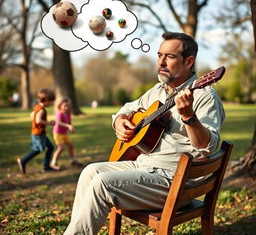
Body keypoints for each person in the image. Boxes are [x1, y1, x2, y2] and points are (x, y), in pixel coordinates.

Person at [64, 32, 225, 235]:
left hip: (175, 182)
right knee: (90, 172)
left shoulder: (204, 95)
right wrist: (120, 122)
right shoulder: (157, 91)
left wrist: (189, 118)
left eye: (170, 56)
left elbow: (207, 147)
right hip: (145, 168)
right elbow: (126, 109)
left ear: (188, 61)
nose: (161, 62)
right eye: (159, 55)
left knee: (102, 184)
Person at [17, 88, 56, 174]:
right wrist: (49, 123)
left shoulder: (37, 107)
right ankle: (23, 161)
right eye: (50, 101)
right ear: (45, 100)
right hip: (38, 134)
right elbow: (38, 120)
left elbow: (32, 115)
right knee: (37, 150)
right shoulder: (42, 110)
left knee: (51, 147)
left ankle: (46, 166)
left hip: (39, 133)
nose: (51, 103)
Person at [50, 98, 83, 170]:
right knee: (61, 148)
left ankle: (72, 160)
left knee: (71, 146)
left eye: (68, 106)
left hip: (65, 133)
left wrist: (71, 129)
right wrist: (68, 126)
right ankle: (53, 163)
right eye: (65, 106)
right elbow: (58, 123)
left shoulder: (68, 114)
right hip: (58, 133)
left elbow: (69, 123)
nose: (67, 107)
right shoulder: (59, 113)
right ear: (60, 106)